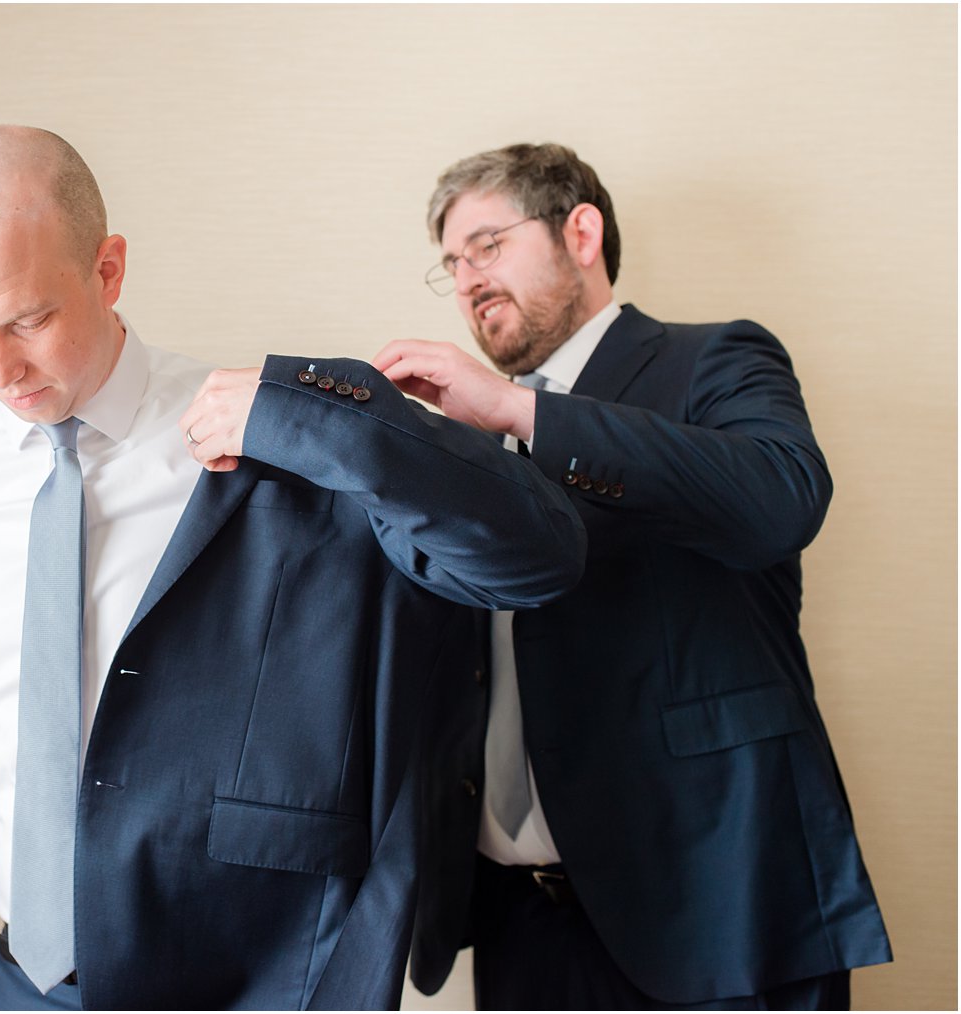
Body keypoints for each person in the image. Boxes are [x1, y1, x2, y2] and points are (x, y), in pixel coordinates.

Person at [0, 126, 586, 1010]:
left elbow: (537, 559)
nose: (0, 369)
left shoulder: (271, 444)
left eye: (28, 320)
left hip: (249, 985)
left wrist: (326, 422)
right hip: (26, 979)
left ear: (107, 270)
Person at [378, 143, 892, 1010]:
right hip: (521, 924)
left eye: (488, 245)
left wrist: (520, 410)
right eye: (452, 264)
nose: (467, 280)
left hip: (719, 895)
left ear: (582, 232)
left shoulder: (717, 359)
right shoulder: (465, 440)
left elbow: (783, 498)